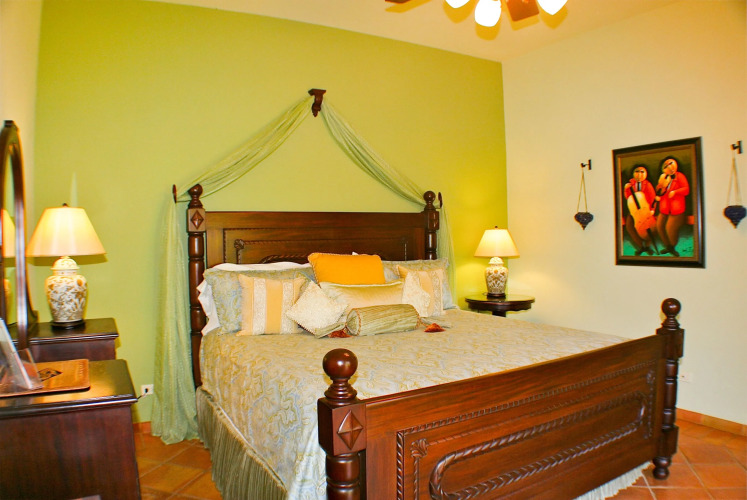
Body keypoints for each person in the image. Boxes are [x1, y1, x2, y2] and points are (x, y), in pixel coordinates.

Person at [655, 156, 690, 257]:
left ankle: (672, 246)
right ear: (663, 170)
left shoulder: (680, 176)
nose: (670, 167)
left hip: (676, 209)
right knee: (659, 226)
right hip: (664, 208)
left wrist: (675, 192)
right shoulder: (663, 178)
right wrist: (660, 185)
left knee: (669, 228)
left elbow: (686, 190)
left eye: (671, 163)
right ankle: (668, 246)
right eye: (666, 166)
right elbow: (658, 192)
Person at [624, 164, 656, 255]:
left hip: (646, 210)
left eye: (642, 172)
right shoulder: (630, 184)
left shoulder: (648, 184)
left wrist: (652, 209)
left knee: (649, 228)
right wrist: (626, 189)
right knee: (629, 226)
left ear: (646, 173)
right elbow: (628, 198)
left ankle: (648, 246)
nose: (639, 174)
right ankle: (641, 246)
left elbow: (652, 198)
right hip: (634, 210)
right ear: (633, 173)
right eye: (637, 171)